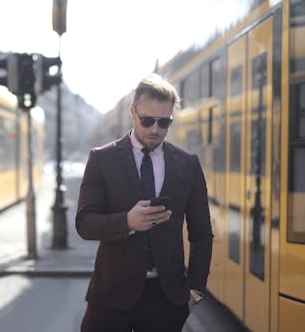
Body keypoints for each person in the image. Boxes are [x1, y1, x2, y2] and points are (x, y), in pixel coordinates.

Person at [76, 73, 213, 332]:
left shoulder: (188, 165)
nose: (154, 129)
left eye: (164, 123)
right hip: (110, 298)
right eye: (147, 120)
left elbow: (202, 234)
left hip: (166, 301)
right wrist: (127, 221)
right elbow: (84, 223)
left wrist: (195, 292)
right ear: (133, 112)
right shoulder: (101, 159)